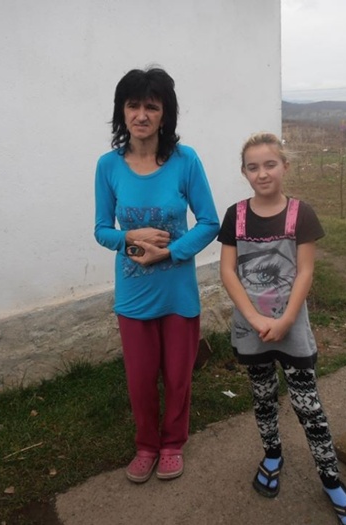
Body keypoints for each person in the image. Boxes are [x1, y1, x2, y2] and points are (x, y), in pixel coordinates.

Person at [217, 132, 346, 524]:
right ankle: (272, 455)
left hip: (292, 329)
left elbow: (305, 272)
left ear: (285, 166)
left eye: (270, 164)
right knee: (263, 397)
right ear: (244, 172)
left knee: (308, 406)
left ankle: (331, 480)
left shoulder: (302, 214)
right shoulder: (235, 215)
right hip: (251, 329)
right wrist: (255, 319)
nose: (262, 173)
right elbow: (228, 271)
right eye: (253, 167)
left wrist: (284, 320)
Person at [94, 67, 219, 484]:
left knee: (178, 376)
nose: (141, 115)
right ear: (122, 111)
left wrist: (169, 251)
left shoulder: (186, 161)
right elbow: (102, 230)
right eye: (133, 105)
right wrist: (130, 237)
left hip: (177, 292)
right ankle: (146, 445)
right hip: (133, 294)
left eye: (152, 106)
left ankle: (172, 444)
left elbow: (209, 222)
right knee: (140, 379)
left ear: (165, 113)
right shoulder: (108, 166)